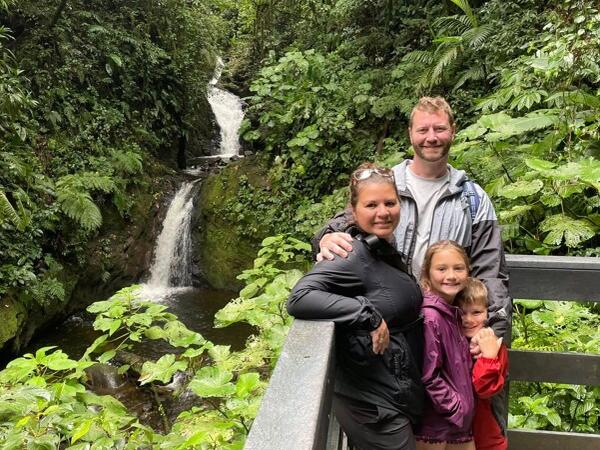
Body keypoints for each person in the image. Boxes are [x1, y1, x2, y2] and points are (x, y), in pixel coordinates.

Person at [313, 96, 511, 341]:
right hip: (390, 323)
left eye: (439, 128)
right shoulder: (385, 184)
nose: (431, 137)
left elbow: (490, 272)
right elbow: (347, 221)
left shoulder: (473, 199)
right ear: (410, 134)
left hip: (446, 328)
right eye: (423, 130)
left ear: (453, 131)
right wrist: (327, 236)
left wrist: (493, 330)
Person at [287, 163, 424, 450]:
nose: (383, 212)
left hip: (392, 393)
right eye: (371, 204)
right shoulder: (350, 254)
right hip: (371, 403)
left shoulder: (381, 246)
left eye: (390, 202)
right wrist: (367, 316)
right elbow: (301, 297)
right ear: (353, 209)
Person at [415, 240, 475, 450]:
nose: (451, 276)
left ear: (468, 271)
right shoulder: (431, 316)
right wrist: (457, 408)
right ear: (427, 273)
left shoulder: (454, 313)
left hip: (457, 426)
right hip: (436, 427)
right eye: (441, 269)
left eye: (458, 268)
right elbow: (428, 375)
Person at [458, 278, 509, 450]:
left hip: (488, 436)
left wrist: (487, 356)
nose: (468, 319)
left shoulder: (494, 344)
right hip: (455, 436)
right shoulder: (451, 340)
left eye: (476, 312)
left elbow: (485, 389)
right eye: (462, 312)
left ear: (488, 313)